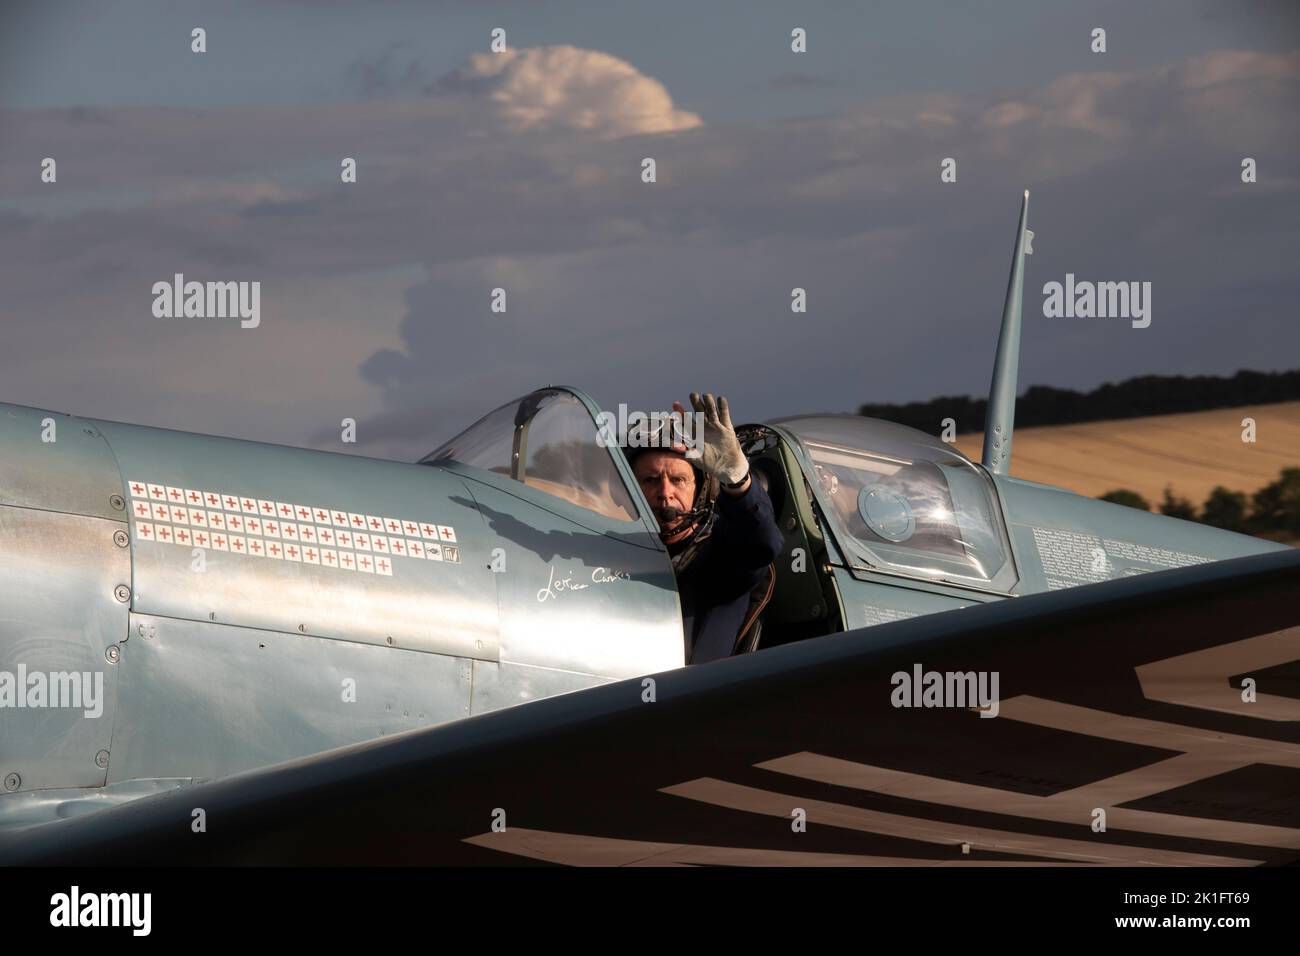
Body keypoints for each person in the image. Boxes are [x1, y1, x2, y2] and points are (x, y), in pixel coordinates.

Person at [628, 393, 783, 664]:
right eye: (650, 480)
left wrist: (737, 479)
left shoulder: (723, 556)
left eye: (678, 480)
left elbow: (760, 544)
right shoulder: (610, 556)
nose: (665, 493)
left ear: (702, 490)